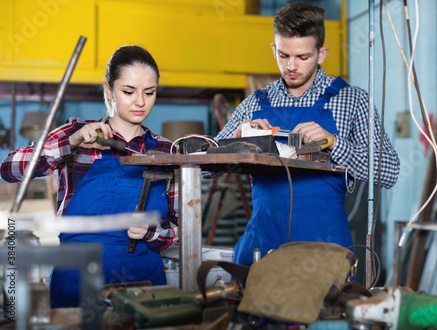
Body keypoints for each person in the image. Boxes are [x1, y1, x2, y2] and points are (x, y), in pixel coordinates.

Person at [215, 2, 400, 266]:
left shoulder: (352, 100)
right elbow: (208, 167)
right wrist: (236, 140)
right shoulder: (255, 103)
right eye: (283, 55)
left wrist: (334, 143)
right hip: (262, 246)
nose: (291, 66)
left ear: (321, 54)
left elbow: (389, 171)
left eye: (303, 57)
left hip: (323, 251)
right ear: (273, 48)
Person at [1, 45, 179, 307]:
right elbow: (9, 168)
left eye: (149, 92)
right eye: (128, 92)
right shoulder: (77, 134)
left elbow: (178, 227)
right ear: (108, 90)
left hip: (144, 284)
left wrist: (153, 232)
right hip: (77, 279)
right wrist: (68, 144)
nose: (140, 101)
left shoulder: (167, 151)